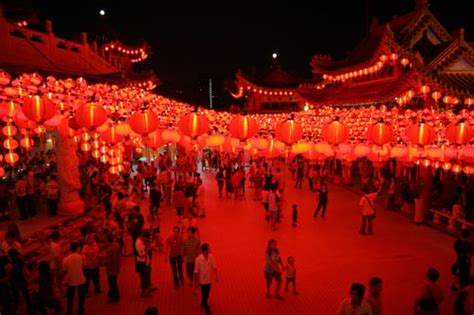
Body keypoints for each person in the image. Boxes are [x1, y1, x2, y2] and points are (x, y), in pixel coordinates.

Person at [63, 242, 87, 315]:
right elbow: (84, 266)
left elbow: (64, 270)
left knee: (70, 297)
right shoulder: (81, 257)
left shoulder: (65, 259)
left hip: (71, 280)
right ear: (77, 248)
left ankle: (69, 311)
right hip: (81, 278)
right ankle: (80, 310)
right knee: (81, 297)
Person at [194, 243, 218, 314]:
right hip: (202, 281)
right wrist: (197, 282)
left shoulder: (211, 257)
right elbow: (196, 271)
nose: (209, 250)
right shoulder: (198, 259)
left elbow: (214, 266)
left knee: (206, 293)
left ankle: (203, 302)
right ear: (205, 251)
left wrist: (216, 276)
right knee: (205, 294)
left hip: (209, 280)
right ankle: (206, 307)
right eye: (208, 249)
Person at [135, 230, 154, 297]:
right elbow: (141, 255)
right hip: (142, 263)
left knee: (146, 277)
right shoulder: (138, 243)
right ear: (143, 236)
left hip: (145, 262)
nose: (146, 239)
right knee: (143, 278)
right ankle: (144, 292)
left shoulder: (141, 241)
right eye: (146, 238)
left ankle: (147, 290)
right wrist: (149, 247)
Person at [104, 232, 121, 303]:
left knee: (112, 284)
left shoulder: (109, 249)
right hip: (117, 267)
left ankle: (115, 297)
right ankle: (113, 295)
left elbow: (108, 261)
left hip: (111, 269)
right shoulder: (117, 245)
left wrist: (103, 262)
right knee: (114, 282)